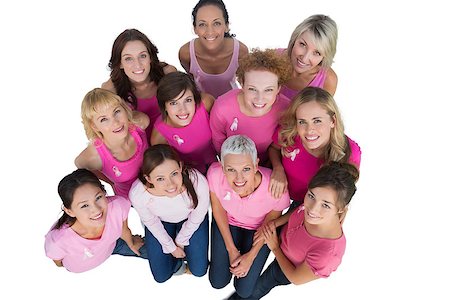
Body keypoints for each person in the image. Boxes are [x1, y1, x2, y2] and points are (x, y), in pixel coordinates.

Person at [231, 162, 359, 299]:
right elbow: (298, 210)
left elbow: (295, 278)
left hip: (286, 266)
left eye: (326, 205)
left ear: (340, 209)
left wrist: (275, 248)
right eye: (311, 196)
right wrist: (275, 223)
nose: (312, 209)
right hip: (282, 238)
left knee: (259, 287)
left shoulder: (327, 255)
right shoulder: (314, 202)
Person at [207, 135, 290, 298]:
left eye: (246, 169)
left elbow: (269, 225)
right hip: (228, 223)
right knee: (217, 282)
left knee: (244, 291)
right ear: (223, 167)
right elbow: (217, 210)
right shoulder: (215, 174)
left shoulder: (275, 190)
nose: (239, 179)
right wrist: (231, 250)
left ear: (255, 165)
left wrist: (250, 257)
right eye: (231, 170)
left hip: (259, 230)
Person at [269, 87, 361, 209]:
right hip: (279, 192)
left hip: (313, 205)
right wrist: (278, 168)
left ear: (332, 120)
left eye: (317, 121)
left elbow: (343, 193)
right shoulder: (291, 133)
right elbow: (273, 148)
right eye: (302, 122)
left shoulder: (349, 152)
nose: (309, 130)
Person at [129, 144, 210, 283]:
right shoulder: (138, 194)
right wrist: (171, 247)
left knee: (199, 271)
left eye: (174, 174)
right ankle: (178, 261)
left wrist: (181, 240)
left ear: (180, 167)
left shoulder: (196, 181)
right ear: (148, 179)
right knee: (161, 277)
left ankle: (188, 253)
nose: (171, 185)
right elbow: (151, 222)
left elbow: (198, 214)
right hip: (161, 222)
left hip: (191, 219)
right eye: (160, 179)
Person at [44, 169, 147, 273]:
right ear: (69, 211)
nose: (97, 210)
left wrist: (131, 244)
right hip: (81, 264)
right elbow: (58, 263)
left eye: (98, 197)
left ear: (104, 192)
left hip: (112, 244)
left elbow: (123, 229)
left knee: (157, 252)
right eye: (84, 205)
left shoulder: (117, 206)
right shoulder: (58, 241)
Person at [209, 48, 291, 166]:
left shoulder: (285, 109)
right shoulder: (222, 109)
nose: (259, 98)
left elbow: (280, 146)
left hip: (268, 166)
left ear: (278, 89)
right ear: (242, 84)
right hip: (234, 167)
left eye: (268, 90)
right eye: (252, 89)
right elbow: (219, 146)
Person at [74, 88, 149, 199]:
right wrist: (111, 181)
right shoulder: (93, 157)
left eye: (117, 112)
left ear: (124, 109)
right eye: (104, 119)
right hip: (131, 200)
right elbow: (79, 164)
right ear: (94, 126)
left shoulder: (140, 123)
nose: (115, 122)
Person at [102, 28, 177, 137]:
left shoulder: (167, 73)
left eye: (142, 56)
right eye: (128, 59)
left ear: (150, 57)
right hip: (139, 147)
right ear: (120, 63)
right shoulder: (110, 90)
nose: (137, 65)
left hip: (173, 139)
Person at [178, 0, 249, 98]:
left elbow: (246, 84)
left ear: (226, 26)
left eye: (216, 23)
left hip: (231, 103)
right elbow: (191, 82)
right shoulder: (186, 53)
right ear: (195, 29)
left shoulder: (240, 51)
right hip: (202, 104)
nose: (210, 31)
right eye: (202, 24)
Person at [151, 71, 216, 174]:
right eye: (174, 103)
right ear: (164, 106)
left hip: (220, 164)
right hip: (191, 175)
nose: (183, 110)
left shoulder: (206, 103)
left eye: (188, 100)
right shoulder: (159, 135)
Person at [279, 14, 338, 99]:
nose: (305, 58)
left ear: (325, 56)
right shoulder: (274, 58)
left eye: (317, 53)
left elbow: (322, 112)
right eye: (302, 44)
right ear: (294, 39)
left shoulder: (328, 80)